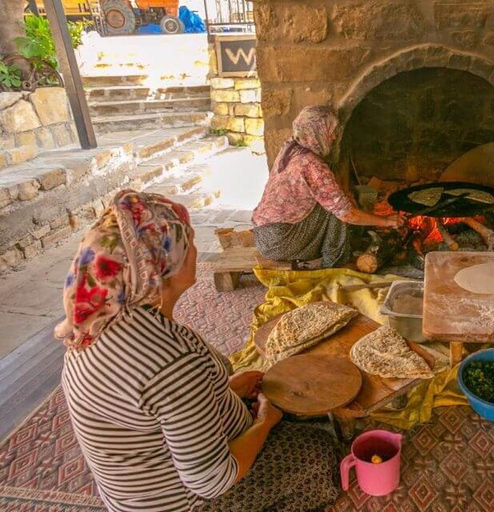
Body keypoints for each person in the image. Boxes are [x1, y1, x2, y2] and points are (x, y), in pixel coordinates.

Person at [56, 190, 340, 512]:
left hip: (133, 496)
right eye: (187, 242)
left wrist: (224, 390)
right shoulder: (171, 364)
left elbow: (160, 407)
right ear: (162, 268)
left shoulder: (95, 324)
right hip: (187, 503)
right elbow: (212, 480)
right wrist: (265, 423)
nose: (193, 249)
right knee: (317, 450)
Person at [252, 105, 400, 268]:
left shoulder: (291, 147)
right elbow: (347, 215)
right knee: (337, 209)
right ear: (317, 131)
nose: (335, 137)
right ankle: (334, 262)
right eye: (330, 131)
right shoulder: (311, 164)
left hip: (263, 236)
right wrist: (386, 221)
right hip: (281, 243)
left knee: (334, 200)